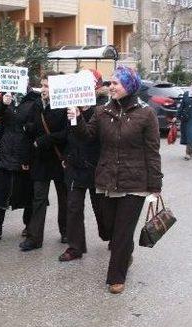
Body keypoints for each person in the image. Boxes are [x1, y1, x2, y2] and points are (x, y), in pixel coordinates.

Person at [68, 66, 163, 294]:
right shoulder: (102, 112)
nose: (111, 87)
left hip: (135, 183)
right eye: (110, 83)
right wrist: (76, 118)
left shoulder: (146, 114)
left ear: (129, 86)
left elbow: (152, 151)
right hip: (106, 180)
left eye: (115, 84)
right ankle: (125, 251)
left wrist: (155, 184)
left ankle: (116, 277)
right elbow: (87, 137)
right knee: (109, 228)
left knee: (122, 231)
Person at [58, 70, 108, 262]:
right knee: (73, 208)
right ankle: (75, 247)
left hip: (96, 167)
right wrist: (66, 156)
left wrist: (82, 114)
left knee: (102, 209)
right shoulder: (70, 106)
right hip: (75, 166)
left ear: (95, 86)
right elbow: (68, 135)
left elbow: (96, 137)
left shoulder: (103, 109)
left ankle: (109, 235)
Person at [0, 89, 37, 245]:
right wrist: (4, 104)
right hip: (5, 152)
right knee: (0, 193)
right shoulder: (6, 97)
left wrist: (29, 126)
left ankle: (29, 226)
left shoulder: (33, 101)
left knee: (27, 192)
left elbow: (37, 124)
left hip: (25, 153)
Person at [20, 73, 67, 251]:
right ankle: (34, 238)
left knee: (64, 198)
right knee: (38, 199)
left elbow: (68, 134)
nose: (44, 90)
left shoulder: (65, 106)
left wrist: (45, 140)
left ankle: (66, 231)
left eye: (47, 86)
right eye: (43, 85)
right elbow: (28, 132)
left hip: (60, 159)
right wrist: (25, 157)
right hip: (40, 159)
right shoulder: (37, 105)